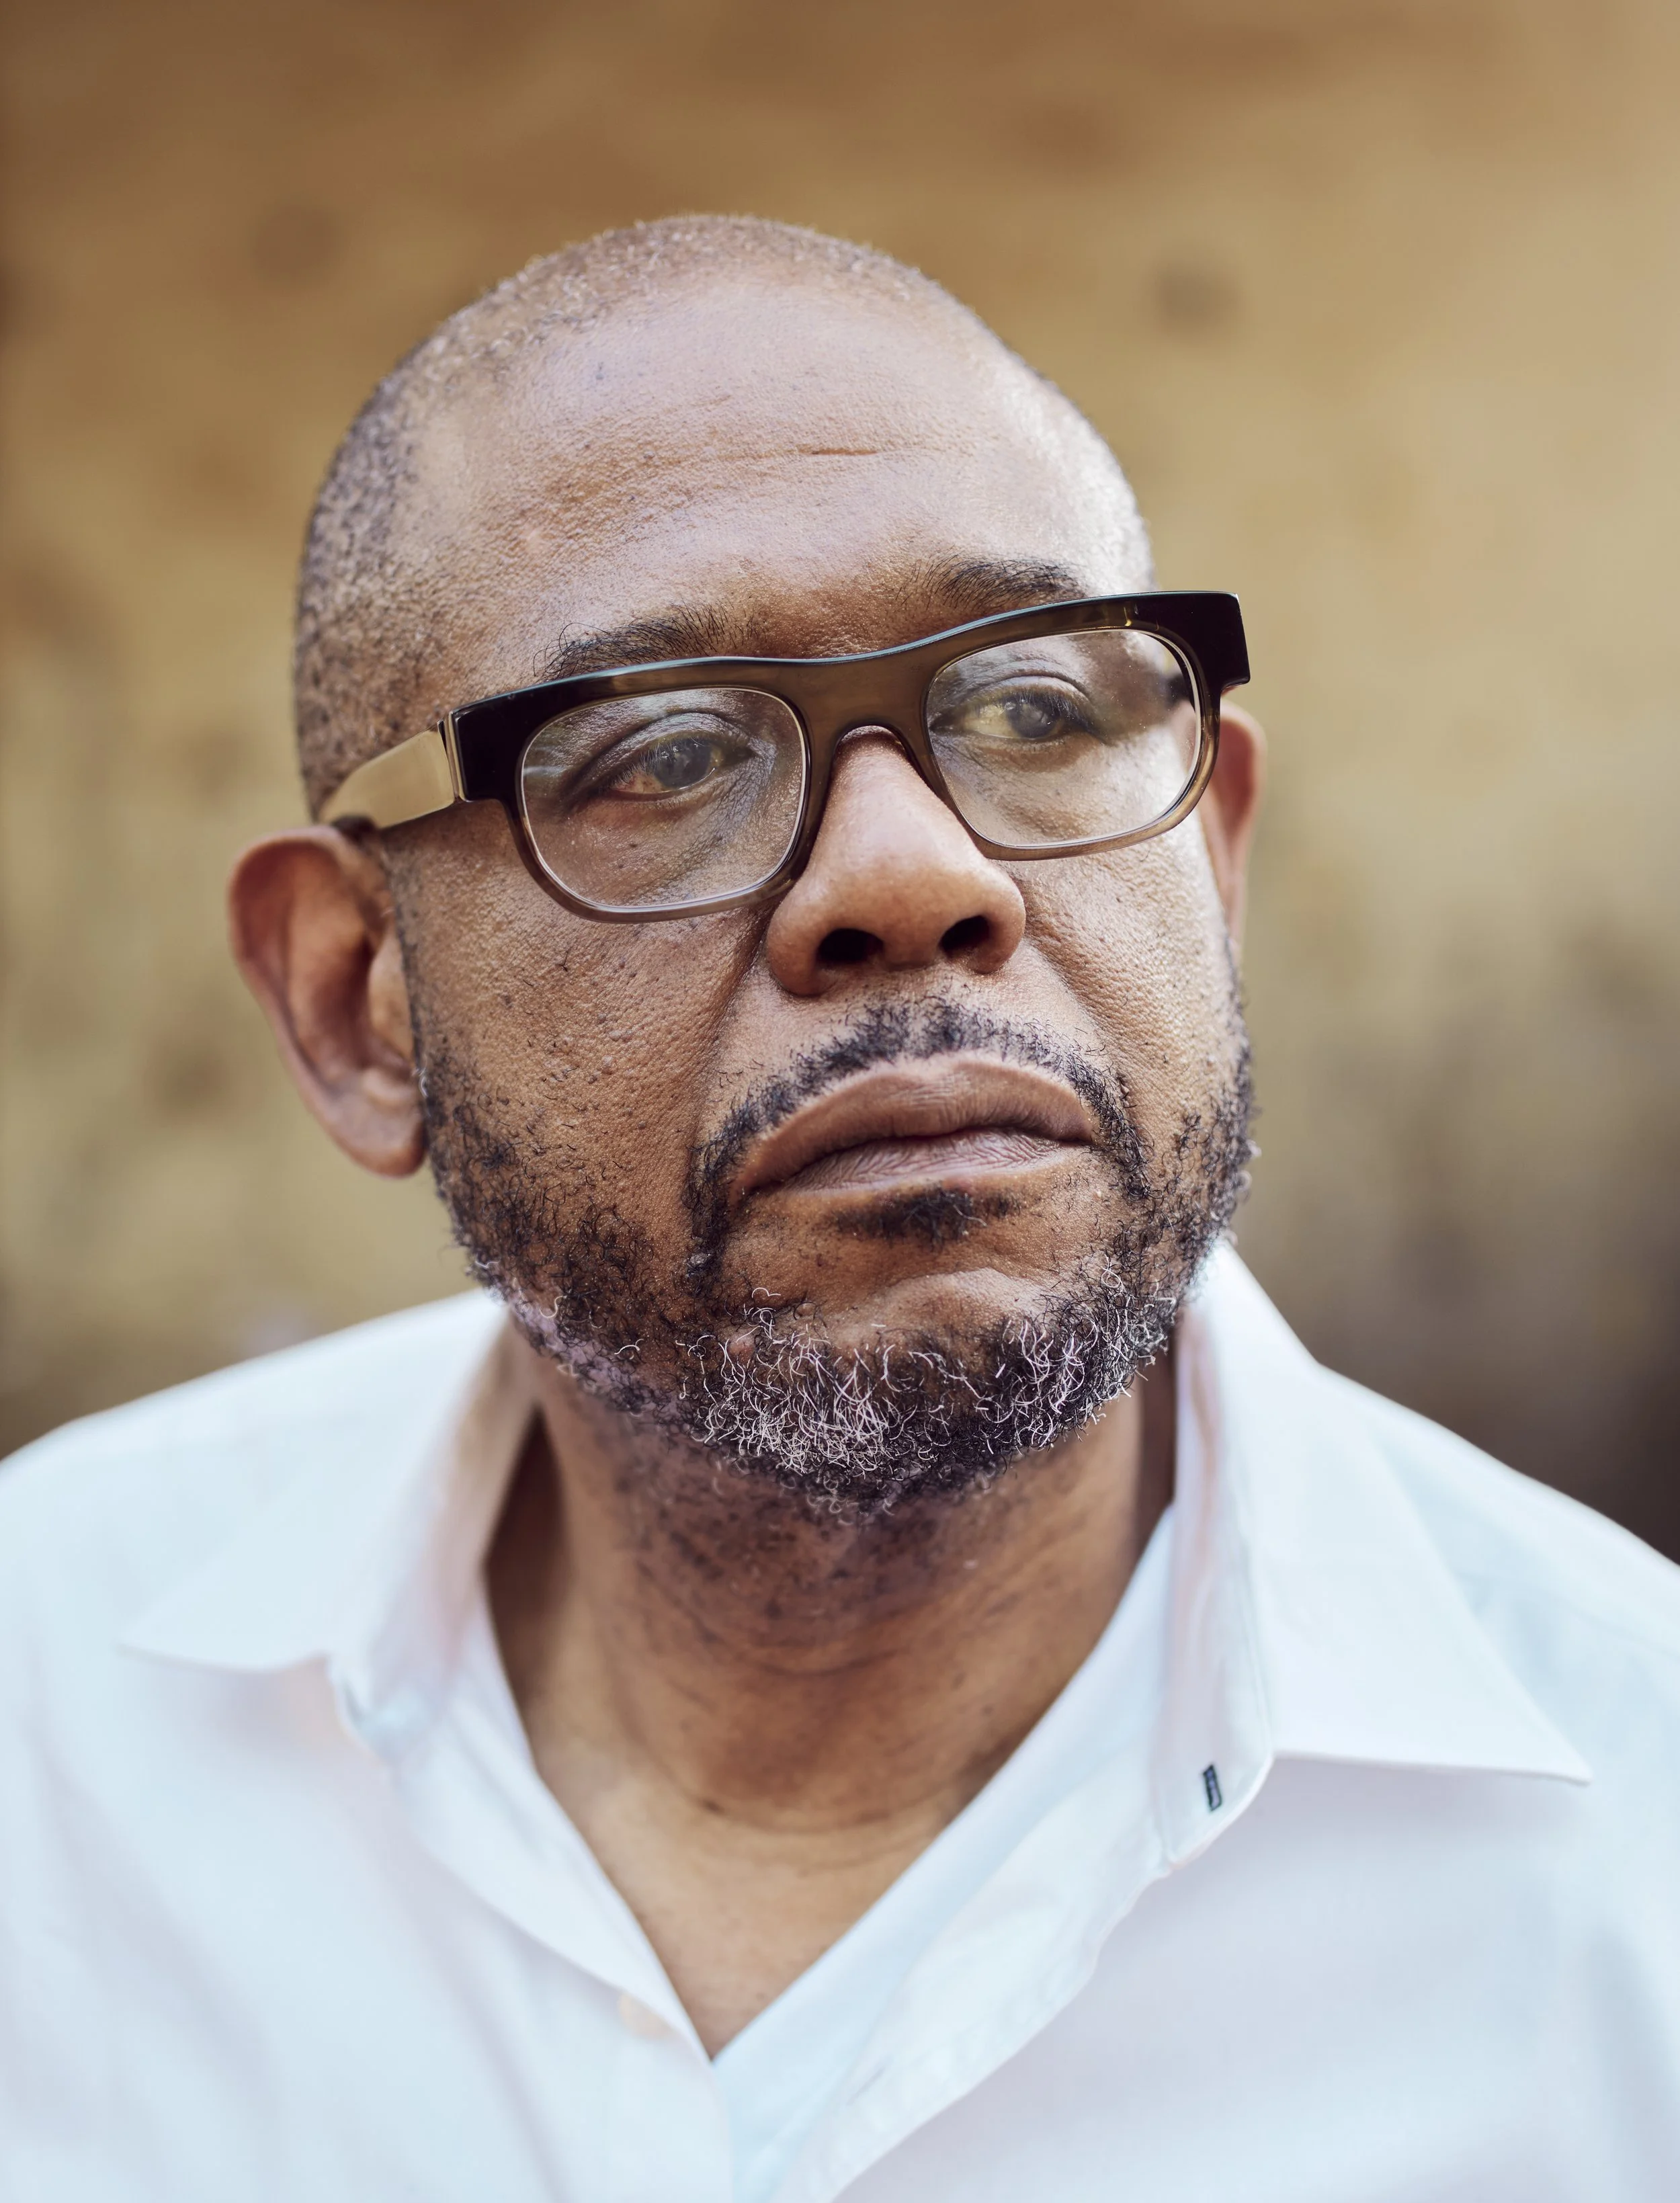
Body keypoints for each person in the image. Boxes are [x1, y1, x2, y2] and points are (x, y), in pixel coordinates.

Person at [2, 216, 1676, 2203]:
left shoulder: (1627, 1865)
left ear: (1210, 865)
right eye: (667, 753)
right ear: (361, 1007)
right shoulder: (46, 1724)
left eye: (1038, 711)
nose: (909, 872)